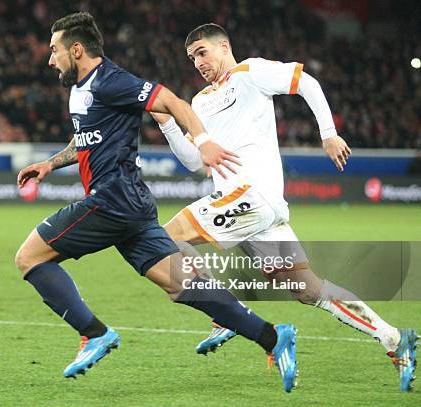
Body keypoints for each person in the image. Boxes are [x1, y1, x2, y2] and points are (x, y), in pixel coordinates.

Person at [15, 12, 299, 392]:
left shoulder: (112, 80)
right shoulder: (80, 89)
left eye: (55, 50)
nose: (51, 59)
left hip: (112, 200)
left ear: (77, 49)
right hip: (132, 205)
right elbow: (84, 139)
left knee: (30, 257)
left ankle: (93, 333)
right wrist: (50, 164)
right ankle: (273, 337)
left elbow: (176, 103)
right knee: (182, 286)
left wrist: (203, 143)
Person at [151, 23, 417, 392]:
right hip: (255, 211)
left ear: (224, 46)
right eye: (191, 57)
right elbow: (197, 162)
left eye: (202, 52)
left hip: (251, 196)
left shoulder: (251, 72)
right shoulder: (199, 102)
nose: (197, 62)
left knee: (162, 242)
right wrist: (167, 123)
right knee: (307, 290)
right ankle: (393, 338)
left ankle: (226, 314)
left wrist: (328, 133)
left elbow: (306, 82)